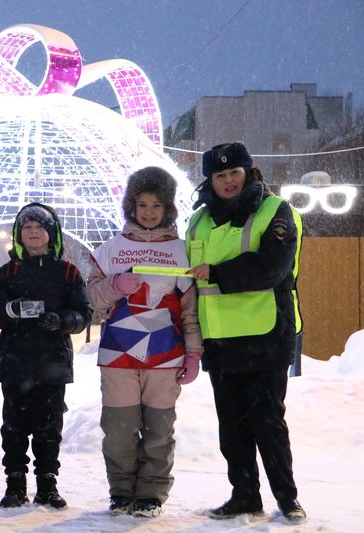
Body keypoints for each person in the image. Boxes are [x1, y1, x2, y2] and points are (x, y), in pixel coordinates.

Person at [186, 142, 306, 523]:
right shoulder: (198, 220)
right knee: (232, 426)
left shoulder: (276, 211)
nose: (228, 181)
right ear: (210, 181)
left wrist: (219, 273)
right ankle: (244, 496)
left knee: (268, 421)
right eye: (220, 175)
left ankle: (287, 499)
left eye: (234, 173)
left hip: (266, 334)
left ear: (249, 173)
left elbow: (273, 266)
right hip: (220, 338)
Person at [86, 167, 202, 518]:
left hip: (166, 357)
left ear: (167, 208)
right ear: (130, 207)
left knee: (159, 429)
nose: (148, 212)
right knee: (119, 431)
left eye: (156, 204)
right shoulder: (109, 251)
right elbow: (92, 301)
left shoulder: (184, 252)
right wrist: (114, 287)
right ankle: (122, 491)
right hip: (117, 356)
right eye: (142, 204)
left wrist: (194, 353)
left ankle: (150, 493)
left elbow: (191, 310)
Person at [0, 202, 92, 509]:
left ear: (51, 233)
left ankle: (47, 483)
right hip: (15, 362)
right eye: (27, 227)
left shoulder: (68, 272)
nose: (33, 232)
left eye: (39, 227)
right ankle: (15, 483)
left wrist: (61, 320)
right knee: (14, 426)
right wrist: (9, 310)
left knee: (48, 428)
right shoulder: (7, 272)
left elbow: (84, 313)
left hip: (52, 364)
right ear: (19, 234)